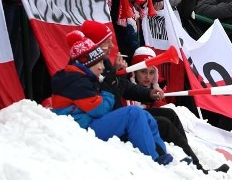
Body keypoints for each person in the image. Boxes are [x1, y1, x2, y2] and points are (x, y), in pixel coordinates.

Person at [50, 31, 173, 164]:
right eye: (99, 63)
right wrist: (109, 85)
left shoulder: (83, 77)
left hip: (88, 121)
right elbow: (100, 109)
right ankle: (153, 159)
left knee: (146, 116)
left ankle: (161, 152)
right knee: (134, 113)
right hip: (82, 128)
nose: (102, 67)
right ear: (88, 63)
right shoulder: (76, 81)